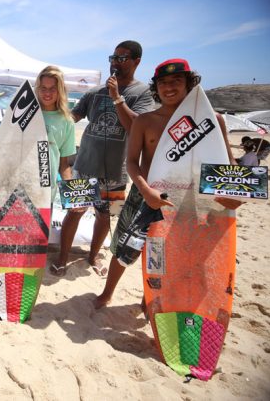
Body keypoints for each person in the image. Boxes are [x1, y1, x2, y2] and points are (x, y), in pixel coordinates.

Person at [94, 58, 239, 309]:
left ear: (190, 84)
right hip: (146, 194)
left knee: (167, 252)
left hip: (190, 203)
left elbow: (230, 164)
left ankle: (149, 299)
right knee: (125, 247)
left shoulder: (214, 119)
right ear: (156, 87)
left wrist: (234, 194)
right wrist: (146, 190)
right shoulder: (145, 121)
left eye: (176, 81)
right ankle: (107, 293)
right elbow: (131, 162)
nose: (169, 87)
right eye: (163, 83)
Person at [51, 40, 154, 277]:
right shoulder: (93, 93)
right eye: (113, 58)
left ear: (137, 61)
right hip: (84, 166)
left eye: (122, 58)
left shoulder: (143, 94)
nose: (115, 63)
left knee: (105, 216)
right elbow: (70, 120)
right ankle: (63, 257)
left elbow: (135, 126)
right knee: (74, 212)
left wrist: (117, 97)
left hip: (116, 172)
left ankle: (93, 255)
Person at [0, 65, 76, 203]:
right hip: (13, 186)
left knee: (39, 225)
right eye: (43, 88)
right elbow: (3, 145)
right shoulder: (25, 111)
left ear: (60, 90)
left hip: (44, 192)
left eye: (52, 88)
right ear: (37, 88)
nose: (47, 93)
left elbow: (64, 164)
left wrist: (72, 195)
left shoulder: (66, 121)